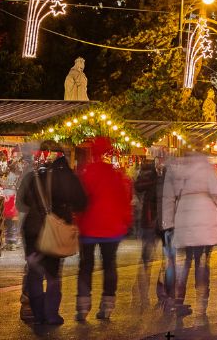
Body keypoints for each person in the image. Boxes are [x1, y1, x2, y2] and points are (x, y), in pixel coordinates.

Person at [17, 141, 86, 326]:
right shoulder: (68, 177)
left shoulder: (32, 177)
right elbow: (81, 203)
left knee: (34, 271)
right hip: (55, 230)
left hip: (32, 230)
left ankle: (37, 313)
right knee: (53, 273)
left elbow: (20, 203)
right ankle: (52, 314)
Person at [75, 136, 133, 321]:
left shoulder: (87, 173)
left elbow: (80, 200)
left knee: (86, 266)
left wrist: (77, 220)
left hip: (89, 227)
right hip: (112, 227)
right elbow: (124, 199)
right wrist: (126, 221)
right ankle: (107, 305)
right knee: (109, 265)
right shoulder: (115, 174)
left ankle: (83, 306)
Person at [161, 153, 217, 315]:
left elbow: (168, 197)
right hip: (205, 221)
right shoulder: (206, 167)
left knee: (184, 261)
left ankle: (178, 299)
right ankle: (202, 301)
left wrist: (167, 223)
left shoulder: (174, 168)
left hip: (184, 218)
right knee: (202, 261)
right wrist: (215, 204)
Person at [133, 157, 169, 308]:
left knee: (164, 261)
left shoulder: (167, 177)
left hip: (162, 222)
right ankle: (142, 294)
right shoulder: (153, 178)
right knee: (149, 260)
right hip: (154, 222)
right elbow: (139, 187)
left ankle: (160, 294)